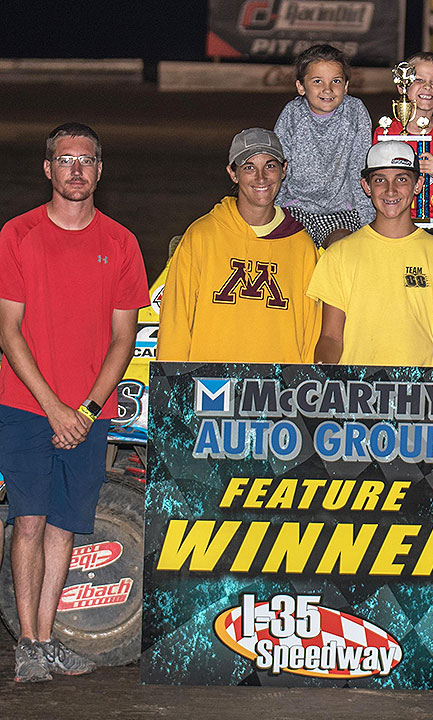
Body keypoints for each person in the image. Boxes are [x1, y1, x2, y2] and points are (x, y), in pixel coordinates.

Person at [0, 123, 149, 682]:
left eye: (86, 161)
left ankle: (46, 640)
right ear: (48, 169)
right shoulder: (17, 234)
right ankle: (29, 645)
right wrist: (54, 408)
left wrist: (85, 410)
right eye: (65, 160)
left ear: (99, 170)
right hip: (24, 407)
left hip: (88, 415)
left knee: (64, 525)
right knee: (30, 522)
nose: (76, 170)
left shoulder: (120, 242)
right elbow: (9, 332)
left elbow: (124, 339)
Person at [158, 128, 321, 363]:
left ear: (284, 170)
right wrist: (174, 388)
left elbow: (312, 330)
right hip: (211, 389)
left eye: (270, 166)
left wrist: (303, 389)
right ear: (232, 174)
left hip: (276, 391)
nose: (261, 177)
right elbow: (176, 320)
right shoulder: (202, 236)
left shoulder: (300, 245)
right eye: (249, 167)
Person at [308, 139, 433, 367]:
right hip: (357, 394)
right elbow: (331, 337)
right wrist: (324, 374)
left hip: (417, 394)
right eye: (380, 180)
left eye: (402, 179)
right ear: (366, 186)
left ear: (418, 185)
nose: (391, 190)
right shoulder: (339, 255)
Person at [273, 44, 375, 247]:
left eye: (336, 81)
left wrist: (368, 223)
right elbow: (279, 167)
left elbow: (360, 170)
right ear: (301, 87)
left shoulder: (355, 112)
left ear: (346, 86)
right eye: (317, 81)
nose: (327, 89)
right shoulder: (292, 115)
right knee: (294, 252)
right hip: (296, 208)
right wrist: (275, 212)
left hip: (340, 212)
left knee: (343, 249)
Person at [373, 52, 433, 254]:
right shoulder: (385, 132)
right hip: (393, 216)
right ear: (402, 86)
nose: (427, 87)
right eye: (419, 80)